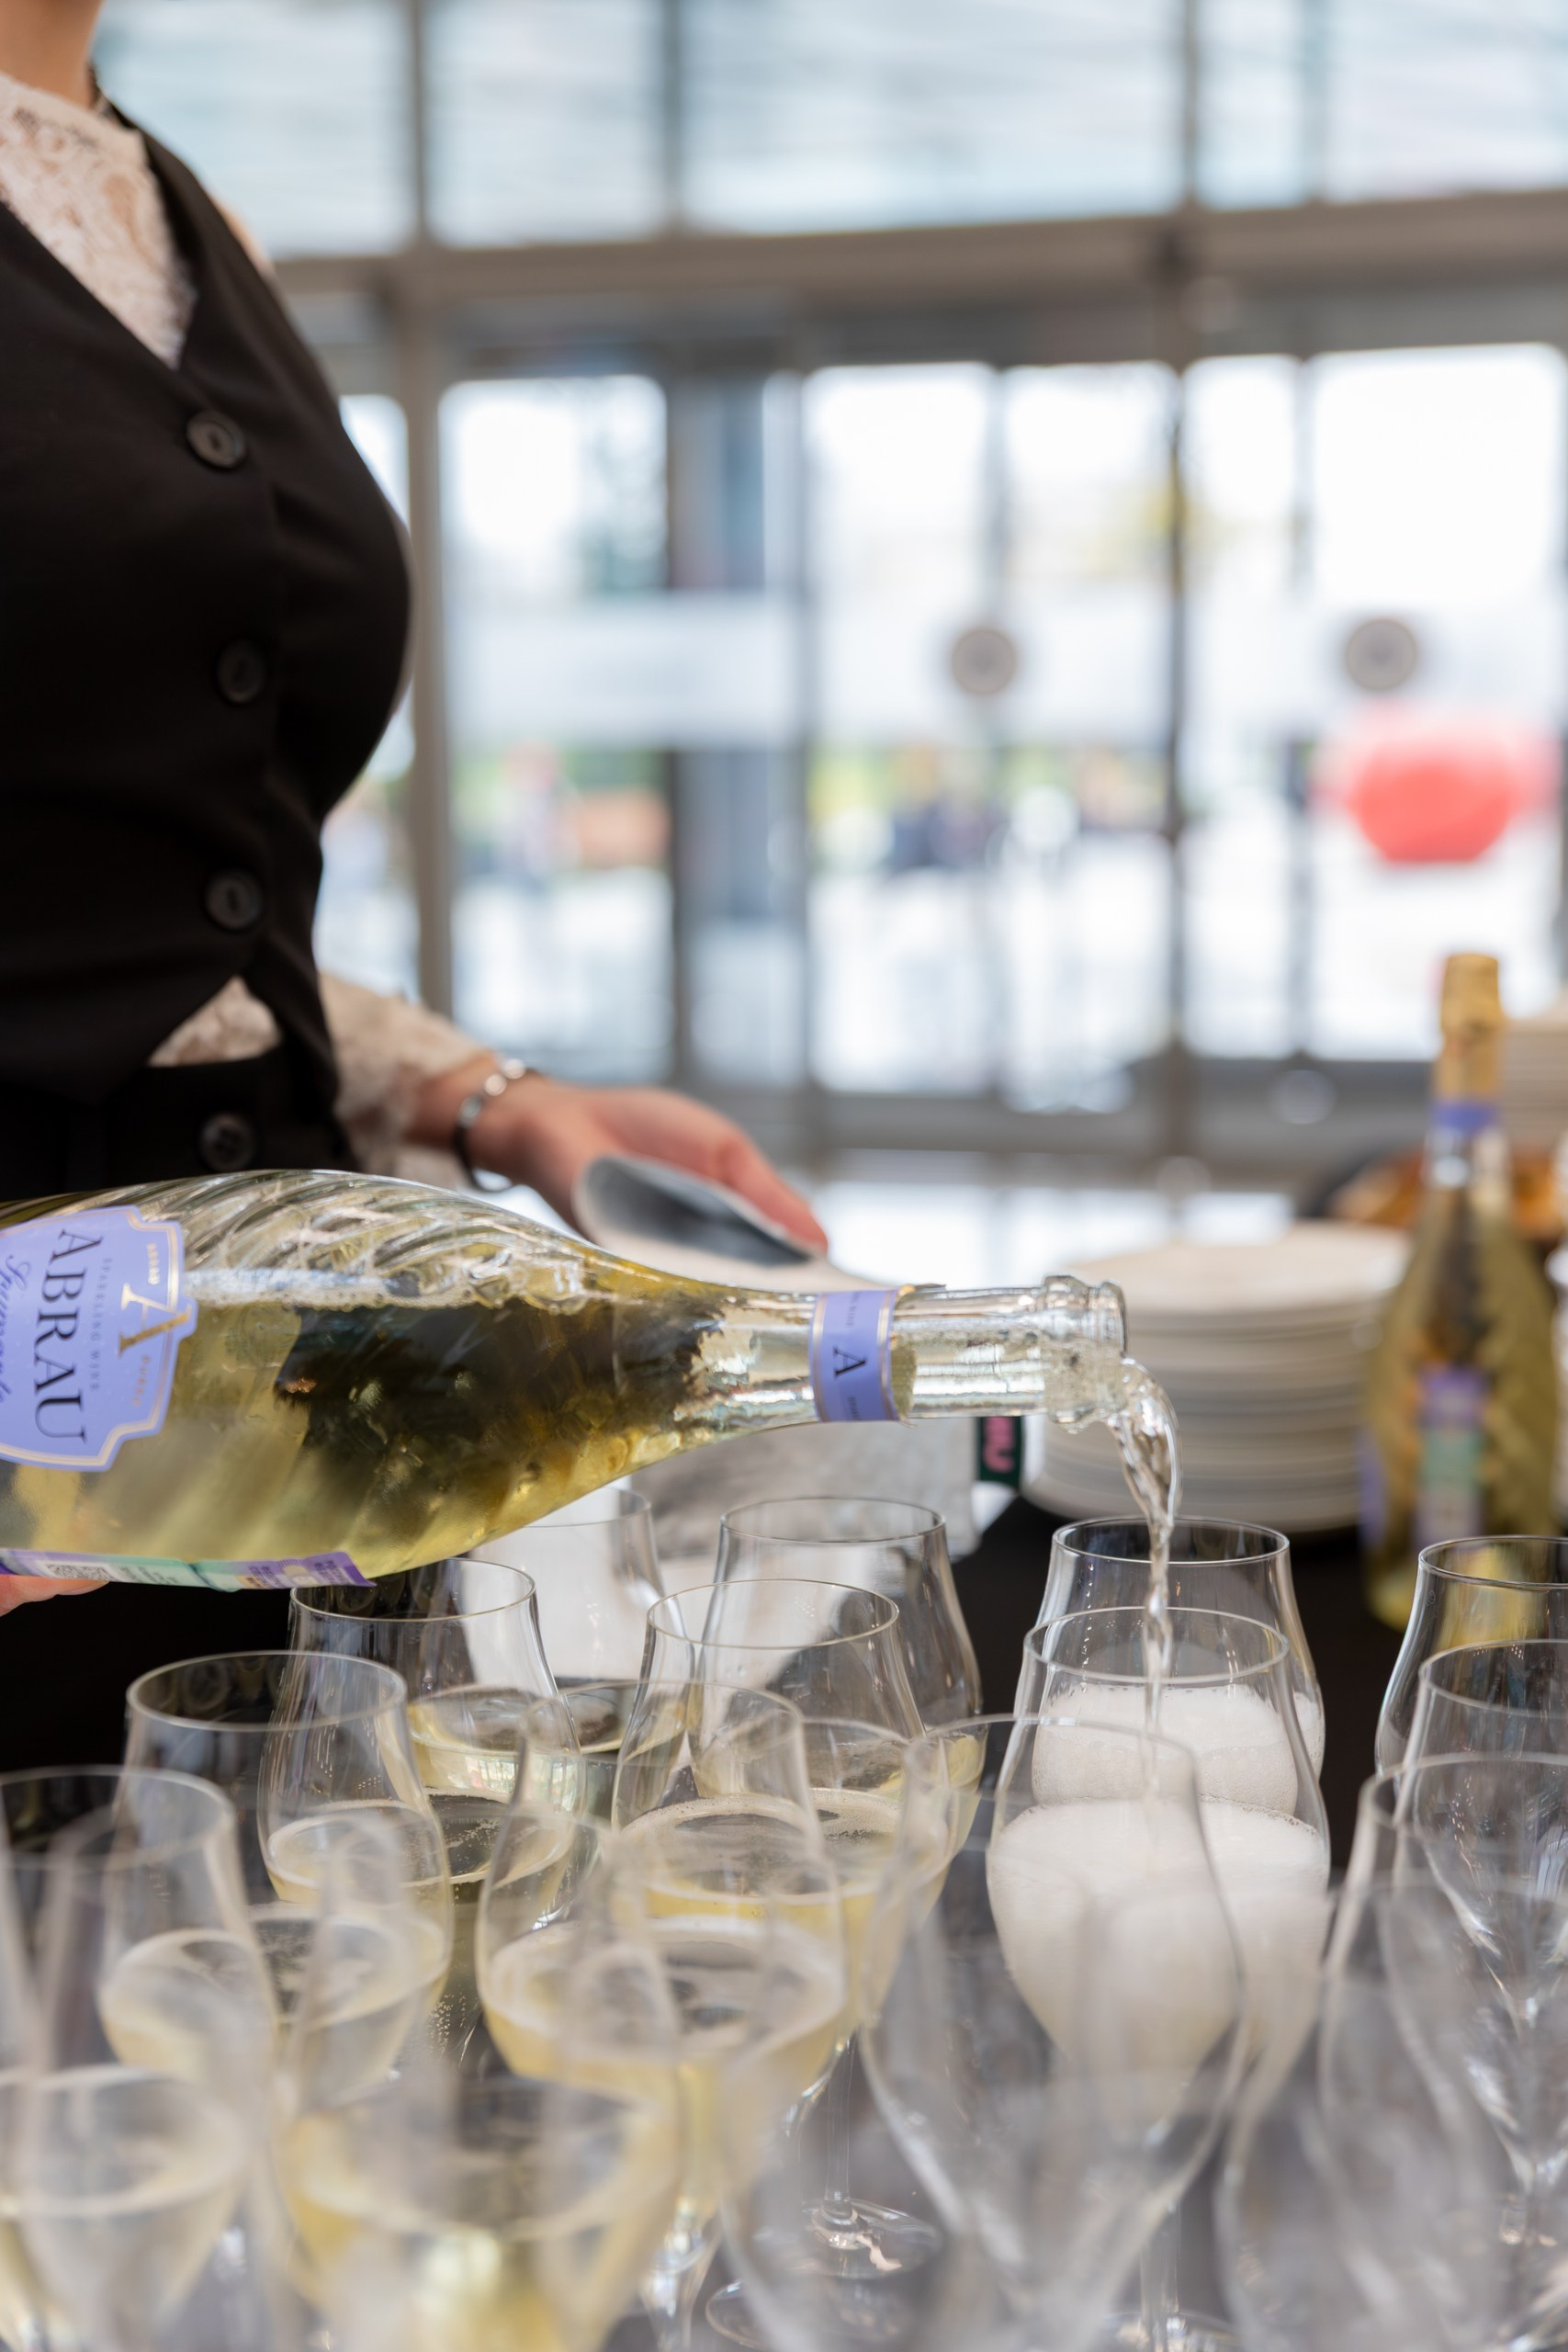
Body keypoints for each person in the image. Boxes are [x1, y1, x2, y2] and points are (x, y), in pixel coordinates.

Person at [0, 0, 825, 1758]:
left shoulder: (190, 217)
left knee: (324, 1884)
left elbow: (170, 903)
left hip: (283, 1377)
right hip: (24, 1446)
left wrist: (482, 1096)